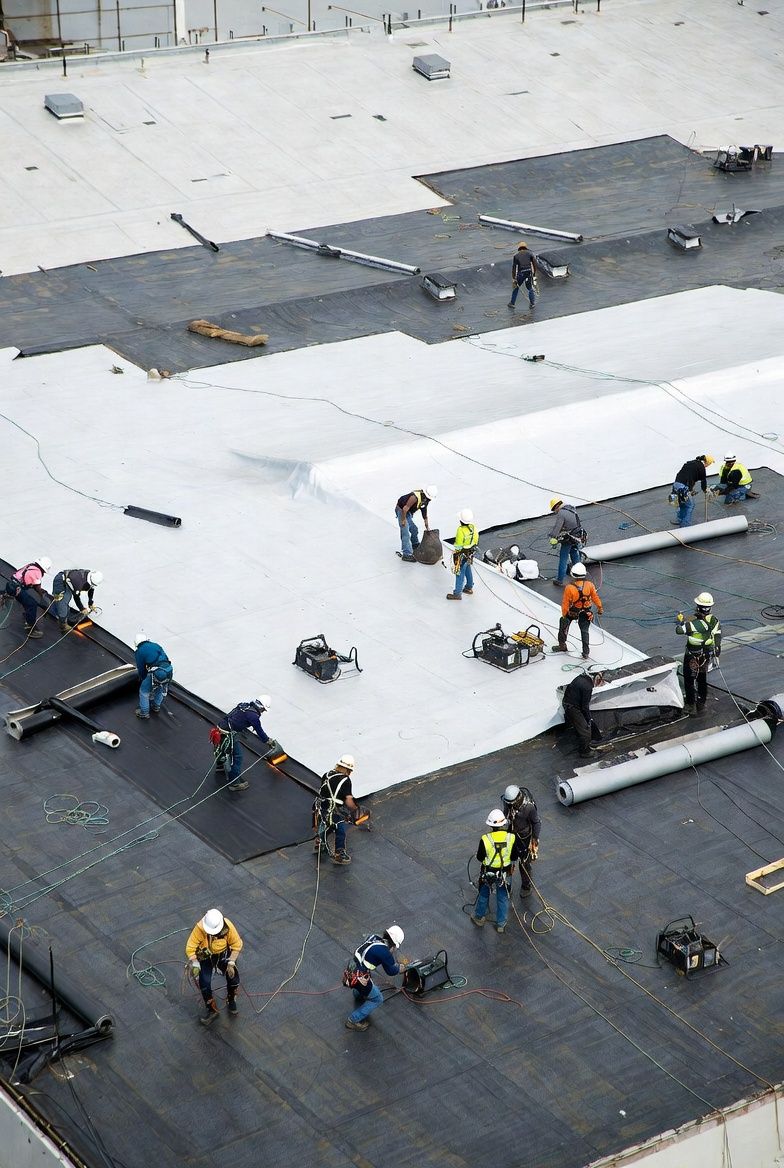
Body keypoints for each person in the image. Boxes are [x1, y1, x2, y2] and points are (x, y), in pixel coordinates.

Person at [186, 908, 243, 1025]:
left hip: (224, 955)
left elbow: (237, 944)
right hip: (206, 957)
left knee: (234, 978)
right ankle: (212, 1010)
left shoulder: (228, 927)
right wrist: (195, 963)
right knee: (204, 982)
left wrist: (231, 963)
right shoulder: (200, 928)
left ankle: (231, 999)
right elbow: (190, 948)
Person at [345, 925, 406, 1032]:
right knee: (377, 999)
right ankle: (353, 1020)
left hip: (351, 968)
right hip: (360, 977)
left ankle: (358, 994)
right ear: (395, 944)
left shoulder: (374, 937)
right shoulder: (385, 953)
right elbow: (391, 971)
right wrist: (401, 968)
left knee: (363, 985)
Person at [471, 810, 519, 933]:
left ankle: (479, 917)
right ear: (503, 823)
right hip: (504, 873)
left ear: (491, 825)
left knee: (484, 893)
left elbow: (480, 858)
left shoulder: (485, 839)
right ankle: (501, 924)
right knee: (502, 897)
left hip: (488, 872)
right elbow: (514, 857)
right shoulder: (511, 837)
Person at [213, 696, 274, 792]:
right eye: (264, 710)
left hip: (221, 727)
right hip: (229, 732)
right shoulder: (253, 716)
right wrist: (268, 740)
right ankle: (234, 783)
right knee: (237, 756)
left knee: (223, 748)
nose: (263, 712)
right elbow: (259, 731)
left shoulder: (245, 706)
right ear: (262, 707)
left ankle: (220, 767)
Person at [676, 592, 721, 714]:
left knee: (689, 679)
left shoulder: (692, 622)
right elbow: (717, 636)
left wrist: (680, 621)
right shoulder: (714, 620)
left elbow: (679, 630)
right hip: (706, 655)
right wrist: (717, 653)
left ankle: (691, 705)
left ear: (698, 605)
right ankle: (701, 702)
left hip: (692, 655)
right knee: (702, 678)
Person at [314, 755, 360, 865]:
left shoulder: (327, 774)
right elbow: (348, 800)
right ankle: (339, 853)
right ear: (348, 769)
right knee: (340, 829)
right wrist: (356, 809)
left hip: (319, 806)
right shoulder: (346, 780)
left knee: (325, 824)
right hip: (331, 809)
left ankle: (320, 842)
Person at [553, 563, 603, 659]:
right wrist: (600, 608)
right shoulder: (590, 585)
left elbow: (565, 604)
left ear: (573, 575)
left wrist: (564, 616)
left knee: (563, 624)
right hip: (586, 612)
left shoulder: (569, 588)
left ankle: (562, 645)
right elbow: (595, 598)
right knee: (585, 631)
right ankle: (586, 653)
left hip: (573, 611)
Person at [501, 785, 541, 899]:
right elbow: (505, 813)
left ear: (518, 799)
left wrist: (535, 839)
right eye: (508, 804)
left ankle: (526, 886)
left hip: (524, 837)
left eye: (512, 803)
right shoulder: (507, 803)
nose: (510, 805)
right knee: (507, 860)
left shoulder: (529, 807)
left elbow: (536, 823)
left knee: (524, 863)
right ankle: (507, 886)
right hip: (511, 834)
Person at [2, 557, 52, 638]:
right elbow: (37, 587)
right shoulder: (37, 572)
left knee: (27, 600)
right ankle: (30, 628)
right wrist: (43, 595)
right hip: (15, 589)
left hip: (12, 584)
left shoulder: (30, 566)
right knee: (32, 604)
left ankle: (28, 615)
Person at [562, 670, 605, 757]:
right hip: (572, 707)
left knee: (581, 724)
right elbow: (585, 707)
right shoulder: (588, 687)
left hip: (567, 702)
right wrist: (589, 719)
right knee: (585, 730)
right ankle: (584, 752)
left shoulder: (580, 678)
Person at [133, 633, 173, 719]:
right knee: (160, 687)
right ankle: (156, 706)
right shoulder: (156, 645)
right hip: (169, 670)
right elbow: (165, 657)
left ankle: (144, 712)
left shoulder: (139, 651)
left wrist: (143, 679)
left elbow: (141, 668)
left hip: (158, 671)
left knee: (144, 691)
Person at [51, 568, 103, 634]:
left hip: (69, 581)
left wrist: (90, 603)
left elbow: (91, 589)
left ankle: (59, 612)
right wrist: (82, 609)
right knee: (63, 602)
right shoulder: (78, 583)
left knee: (65, 603)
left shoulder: (90, 575)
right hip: (60, 581)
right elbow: (76, 597)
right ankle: (63, 625)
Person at [670, 455, 714, 527]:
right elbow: (703, 482)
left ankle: (680, 519)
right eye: (709, 464)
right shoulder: (701, 467)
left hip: (676, 485)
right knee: (690, 505)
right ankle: (685, 526)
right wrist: (705, 490)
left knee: (682, 504)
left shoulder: (690, 463)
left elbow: (689, 477)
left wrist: (690, 490)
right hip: (683, 487)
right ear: (707, 462)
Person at [548, 498, 584, 585]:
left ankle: (560, 580)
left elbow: (557, 527)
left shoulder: (561, 513)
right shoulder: (571, 509)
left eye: (554, 510)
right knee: (575, 555)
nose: (555, 512)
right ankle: (580, 575)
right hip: (576, 536)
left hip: (568, 538)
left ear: (556, 506)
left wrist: (552, 537)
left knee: (563, 559)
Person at [396, 486, 437, 561]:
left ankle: (415, 544)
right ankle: (406, 554)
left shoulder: (425, 500)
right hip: (402, 511)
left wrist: (427, 526)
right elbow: (405, 508)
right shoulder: (414, 497)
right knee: (405, 532)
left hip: (408, 512)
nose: (430, 500)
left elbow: (424, 513)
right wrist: (403, 520)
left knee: (414, 529)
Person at [446, 509, 479, 600]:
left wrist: (456, 553)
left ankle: (457, 593)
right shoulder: (473, 527)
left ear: (461, 521)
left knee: (459, 573)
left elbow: (458, 545)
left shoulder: (460, 530)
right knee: (468, 568)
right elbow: (476, 540)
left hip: (461, 554)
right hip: (470, 553)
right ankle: (469, 587)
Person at [508, 242, 538, 311]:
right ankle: (532, 303)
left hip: (521, 273)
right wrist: (534, 273)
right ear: (525, 247)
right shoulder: (530, 254)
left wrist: (514, 278)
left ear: (519, 248)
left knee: (516, 288)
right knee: (530, 288)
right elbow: (534, 264)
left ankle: (512, 303)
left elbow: (514, 268)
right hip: (528, 272)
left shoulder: (516, 256)